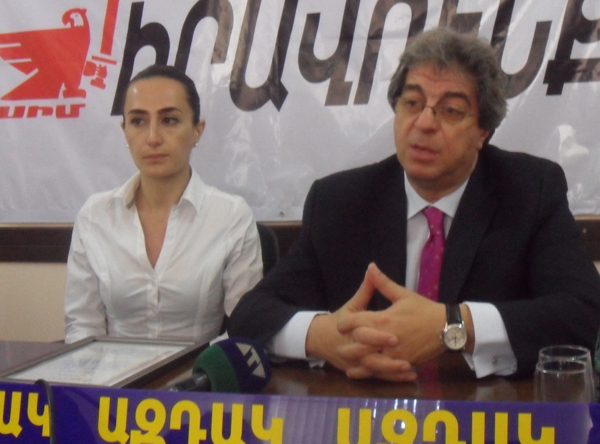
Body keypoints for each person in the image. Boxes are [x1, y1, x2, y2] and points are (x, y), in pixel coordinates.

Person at [228, 27, 600, 380]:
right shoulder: (340, 202)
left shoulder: (529, 192)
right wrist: (323, 336)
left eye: (450, 110)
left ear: (482, 130)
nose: (424, 123)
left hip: (488, 412)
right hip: (365, 410)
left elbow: (583, 314)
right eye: (412, 103)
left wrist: (455, 325)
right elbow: (251, 316)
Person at [64, 65, 262, 344]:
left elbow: (245, 330)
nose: (153, 138)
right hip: (113, 372)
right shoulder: (95, 216)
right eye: (138, 121)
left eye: (169, 120)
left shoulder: (231, 216)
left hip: (199, 369)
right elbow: (82, 326)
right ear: (124, 130)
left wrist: (202, 370)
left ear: (197, 130)